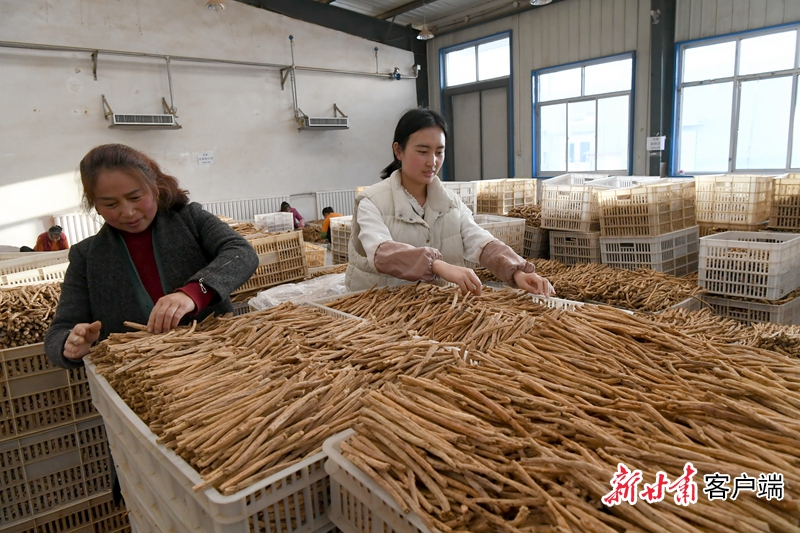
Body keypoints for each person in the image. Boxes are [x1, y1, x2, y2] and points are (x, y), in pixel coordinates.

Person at [44, 144, 259, 369]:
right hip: (143, 378)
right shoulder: (86, 256)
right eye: (110, 204)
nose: (127, 212)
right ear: (96, 207)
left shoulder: (190, 220)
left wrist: (195, 292)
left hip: (220, 359)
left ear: (154, 189)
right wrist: (71, 345)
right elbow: (59, 331)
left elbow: (240, 253)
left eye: (135, 197)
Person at [346, 108, 555, 297]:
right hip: (378, 309)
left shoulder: (451, 202)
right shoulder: (371, 202)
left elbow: (478, 239)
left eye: (439, 152)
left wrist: (516, 271)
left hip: (435, 311)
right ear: (398, 151)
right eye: (422, 151)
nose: (432, 162)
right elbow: (381, 252)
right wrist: (437, 265)